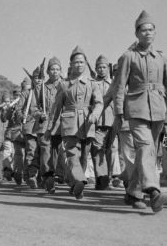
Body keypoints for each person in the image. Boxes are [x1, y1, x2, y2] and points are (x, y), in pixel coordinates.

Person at [112, 10, 167, 213]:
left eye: (151, 30)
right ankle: (153, 190)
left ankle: (133, 193)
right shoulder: (128, 57)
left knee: (149, 151)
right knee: (145, 148)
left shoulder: (161, 58)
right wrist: (118, 112)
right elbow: (119, 86)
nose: (148, 33)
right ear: (136, 33)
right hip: (136, 109)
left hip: (158, 110)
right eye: (144, 30)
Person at [46, 46, 103, 200]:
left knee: (84, 156)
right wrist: (50, 128)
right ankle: (79, 181)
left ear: (85, 64)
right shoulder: (64, 85)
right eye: (76, 62)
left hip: (87, 124)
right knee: (72, 153)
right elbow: (56, 109)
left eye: (81, 62)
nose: (79, 65)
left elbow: (99, 103)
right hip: (69, 123)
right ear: (70, 64)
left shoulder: (92, 83)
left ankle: (76, 185)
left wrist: (95, 114)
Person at [38, 56, 64, 194]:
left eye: (57, 69)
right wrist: (39, 114)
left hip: (60, 123)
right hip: (45, 123)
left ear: (61, 71)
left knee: (57, 152)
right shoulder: (41, 87)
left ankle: (54, 175)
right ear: (48, 71)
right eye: (52, 69)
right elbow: (34, 107)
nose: (55, 72)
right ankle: (48, 177)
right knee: (46, 150)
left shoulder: (65, 86)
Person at [15, 70, 44, 189]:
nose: (38, 80)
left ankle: (40, 178)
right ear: (32, 79)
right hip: (30, 126)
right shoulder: (26, 93)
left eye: (40, 78)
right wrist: (22, 117)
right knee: (32, 151)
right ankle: (31, 175)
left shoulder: (46, 92)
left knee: (43, 153)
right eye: (36, 78)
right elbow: (18, 109)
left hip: (43, 126)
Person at [90, 55, 115, 190]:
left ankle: (108, 178)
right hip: (98, 122)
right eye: (99, 67)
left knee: (111, 151)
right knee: (98, 150)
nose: (101, 69)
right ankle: (101, 177)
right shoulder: (92, 83)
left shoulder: (114, 83)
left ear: (108, 68)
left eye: (104, 67)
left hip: (113, 121)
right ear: (95, 69)